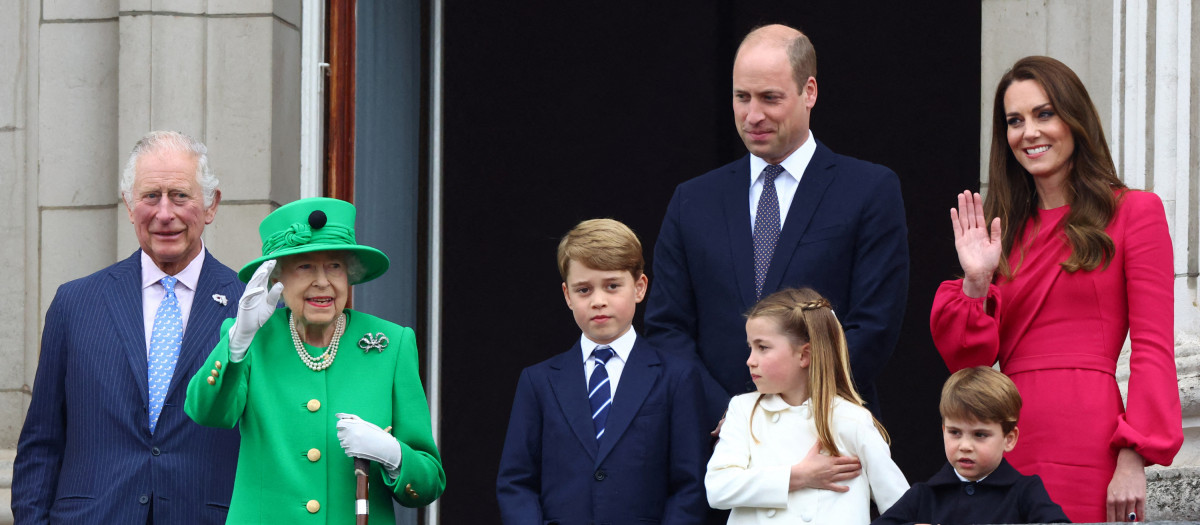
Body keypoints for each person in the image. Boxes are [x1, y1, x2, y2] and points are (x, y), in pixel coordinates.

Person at [930, 55, 1183, 523]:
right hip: (1008, 438)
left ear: (1075, 118)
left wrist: (1133, 456)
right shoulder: (998, 234)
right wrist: (975, 282)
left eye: (1044, 114)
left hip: (1091, 438)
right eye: (1015, 121)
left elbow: (1153, 348)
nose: (1030, 132)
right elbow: (969, 364)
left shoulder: (1135, 212)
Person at [646, 23, 909, 431]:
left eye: (770, 98)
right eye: (742, 97)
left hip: (828, 434)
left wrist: (795, 410)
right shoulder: (691, 200)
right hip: (717, 443)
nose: (753, 115)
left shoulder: (869, 190)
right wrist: (733, 415)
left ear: (810, 92)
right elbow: (667, 326)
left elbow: (873, 324)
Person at [12, 131, 244, 523]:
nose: (164, 213)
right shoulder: (75, 304)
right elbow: (42, 443)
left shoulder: (250, 307)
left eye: (180, 195)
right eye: (151, 196)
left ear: (210, 205)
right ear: (129, 205)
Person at [184, 197, 445, 523]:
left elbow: (429, 482)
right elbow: (207, 413)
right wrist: (238, 341)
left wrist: (393, 454)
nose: (322, 281)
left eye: (334, 266)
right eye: (305, 266)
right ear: (278, 278)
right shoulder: (252, 339)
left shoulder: (392, 345)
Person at [496, 219, 710, 524]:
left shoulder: (676, 377)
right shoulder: (539, 381)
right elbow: (516, 482)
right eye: (583, 290)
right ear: (567, 295)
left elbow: (689, 485)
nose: (598, 301)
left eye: (612, 286)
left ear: (639, 287)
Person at [707, 287, 908, 524]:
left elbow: (901, 506)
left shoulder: (851, 420)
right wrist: (797, 476)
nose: (750, 360)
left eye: (763, 347)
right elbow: (717, 489)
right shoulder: (743, 410)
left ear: (804, 355)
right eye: (750, 347)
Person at [873, 366, 1070, 525]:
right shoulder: (924, 495)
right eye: (955, 433)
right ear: (943, 431)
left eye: (980, 435)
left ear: (1009, 439)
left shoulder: (1025, 492)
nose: (965, 446)